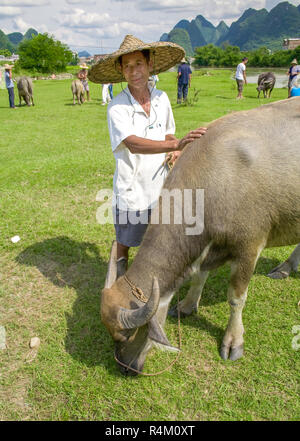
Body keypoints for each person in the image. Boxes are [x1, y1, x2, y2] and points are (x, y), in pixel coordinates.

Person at [88, 35, 207, 277]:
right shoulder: (117, 107)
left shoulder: (162, 98)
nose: (134, 71)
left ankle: (153, 276)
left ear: (150, 64)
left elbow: (167, 131)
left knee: (160, 236)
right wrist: (177, 143)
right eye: (127, 66)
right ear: (121, 71)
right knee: (127, 238)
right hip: (132, 187)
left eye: (138, 64)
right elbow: (132, 144)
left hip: (162, 185)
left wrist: (173, 148)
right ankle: (119, 272)